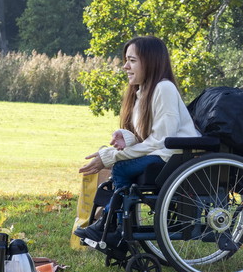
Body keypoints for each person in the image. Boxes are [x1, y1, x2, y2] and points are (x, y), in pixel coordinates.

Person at [74, 36, 201, 243]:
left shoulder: (164, 88)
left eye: (132, 60)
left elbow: (163, 140)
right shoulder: (142, 92)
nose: (125, 66)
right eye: (126, 60)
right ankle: (113, 225)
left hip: (177, 157)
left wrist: (112, 157)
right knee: (121, 165)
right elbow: (151, 137)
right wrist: (128, 138)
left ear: (150, 62)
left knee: (121, 167)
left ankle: (110, 225)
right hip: (164, 154)